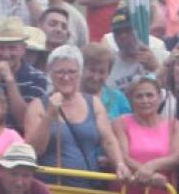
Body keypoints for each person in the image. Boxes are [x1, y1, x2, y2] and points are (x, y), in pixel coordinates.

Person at [29, 42, 117, 172]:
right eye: (60, 72)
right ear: (50, 73)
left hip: (89, 186)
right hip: (52, 186)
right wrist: (48, 116)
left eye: (72, 72)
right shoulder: (37, 106)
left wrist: (120, 164)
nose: (66, 77)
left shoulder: (94, 103)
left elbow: (109, 141)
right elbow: (34, 151)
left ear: (80, 73)